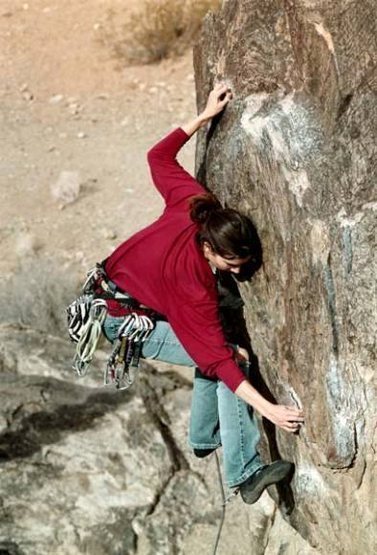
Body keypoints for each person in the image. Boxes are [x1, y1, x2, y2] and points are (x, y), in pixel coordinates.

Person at [101, 83, 304, 504]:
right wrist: (271, 410)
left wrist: (206, 115)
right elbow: (218, 360)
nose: (240, 271)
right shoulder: (192, 286)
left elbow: (157, 157)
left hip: (117, 292)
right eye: (232, 265)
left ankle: (202, 434)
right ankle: (245, 471)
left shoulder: (196, 204)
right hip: (120, 317)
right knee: (234, 358)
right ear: (209, 249)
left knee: (211, 354)